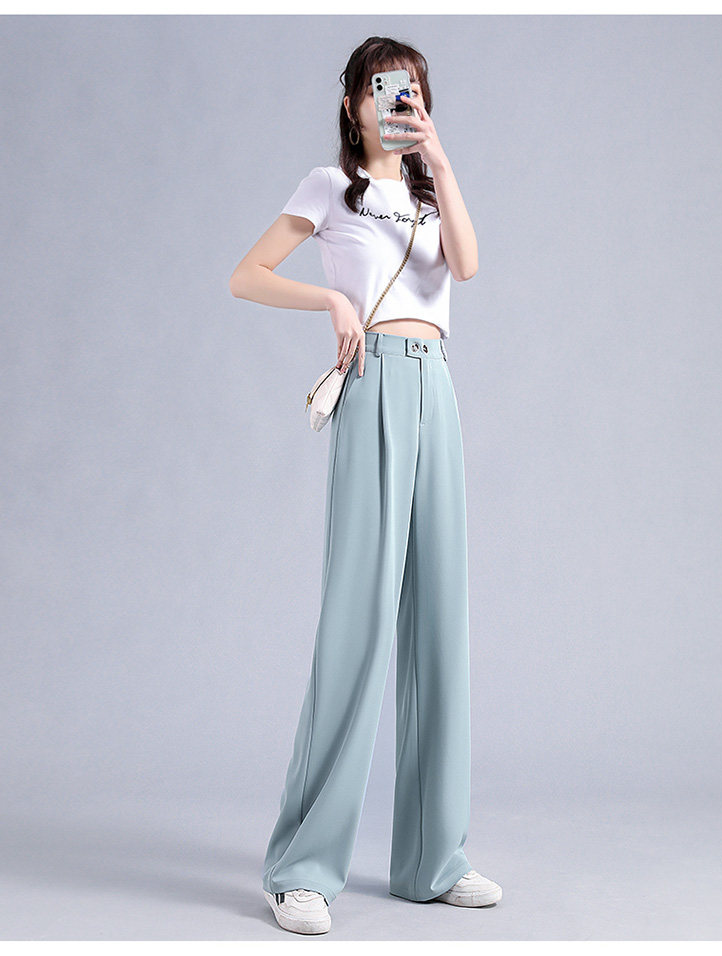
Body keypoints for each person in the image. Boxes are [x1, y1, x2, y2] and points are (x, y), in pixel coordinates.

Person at [230, 36, 502, 935]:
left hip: (437, 390)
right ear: (353, 102)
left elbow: (466, 265)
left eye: (413, 92)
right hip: (373, 383)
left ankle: (432, 859)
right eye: (385, 90)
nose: (398, 103)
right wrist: (332, 301)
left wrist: (442, 162)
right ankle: (301, 868)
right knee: (357, 619)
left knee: (441, 619)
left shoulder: (427, 196)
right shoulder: (329, 188)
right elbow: (246, 275)